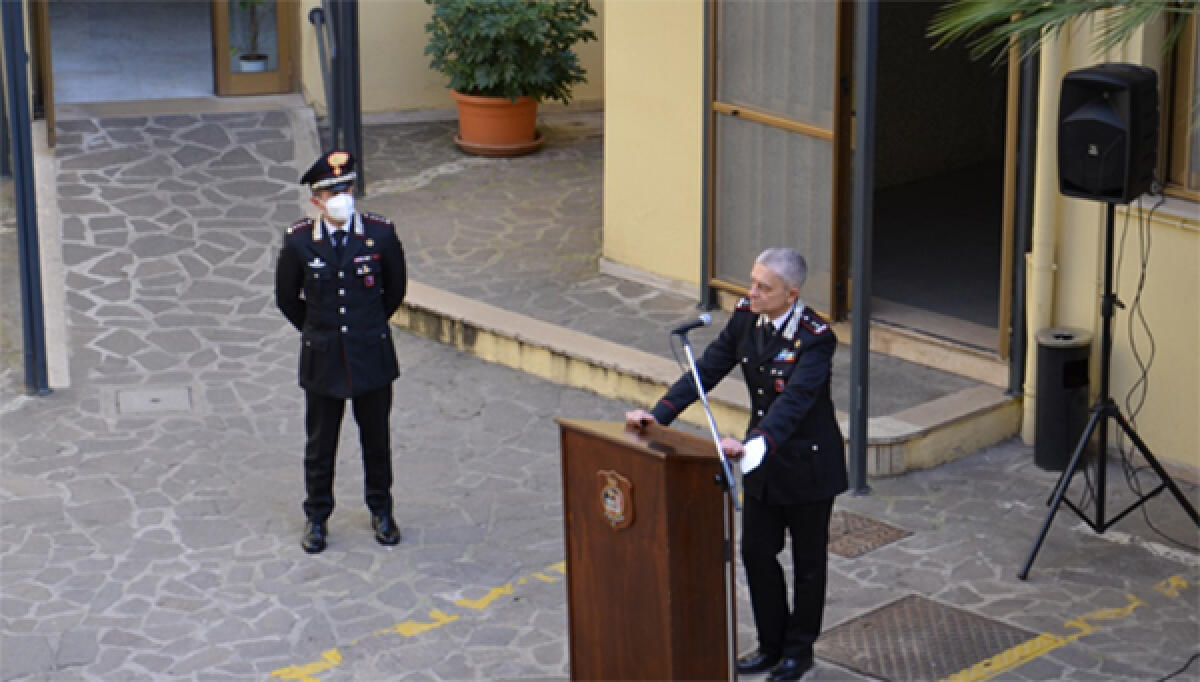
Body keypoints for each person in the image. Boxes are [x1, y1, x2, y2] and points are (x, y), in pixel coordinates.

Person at [625, 247, 847, 682]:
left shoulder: (816, 338)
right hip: (761, 461)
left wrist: (756, 444)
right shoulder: (747, 318)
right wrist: (659, 415)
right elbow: (708, 369)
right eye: (752, 282)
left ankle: (798, 652)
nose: (752, 293)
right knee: (756, 554)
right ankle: (770, 645)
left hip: (807, 466)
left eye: (764, 288)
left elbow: (795, 401)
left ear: (791, 293)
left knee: (808, 566)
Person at [275, 150, 408, 554]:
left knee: (376, 440)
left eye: (346, 188)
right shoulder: (299, 241)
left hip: (370, 354)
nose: (341, 198)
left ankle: (381, 511)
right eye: (331, 192)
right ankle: (317, 517)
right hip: (324, 357)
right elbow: (287, 298)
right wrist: (319, 331)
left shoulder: (380, 235)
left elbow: (394, 291)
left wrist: (367, 326)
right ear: (316, 200)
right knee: (320, 445)